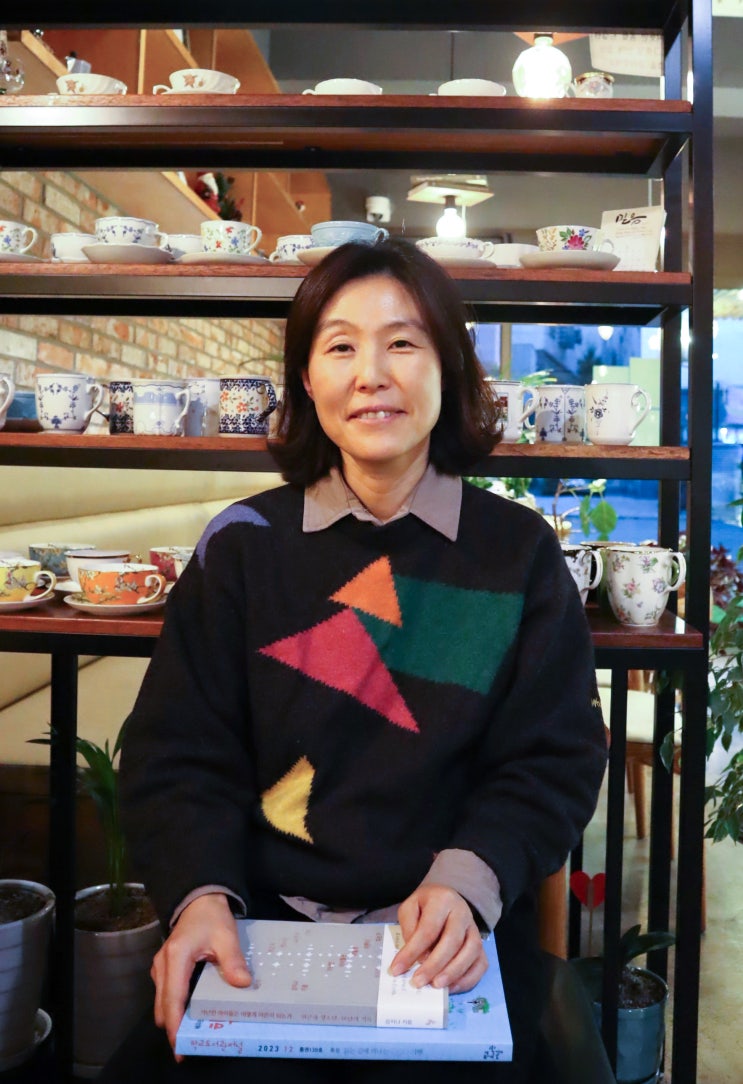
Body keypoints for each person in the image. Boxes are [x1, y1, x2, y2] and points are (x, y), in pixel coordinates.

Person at [107, 238, 607, 1083]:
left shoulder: (516, 553)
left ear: (448, 368)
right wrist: (199, 895)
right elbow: (175, 754)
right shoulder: (243, 547)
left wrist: (467, 883)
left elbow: (554, 756)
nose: (371, 374)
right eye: (340, 346)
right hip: (263, 931)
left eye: (402, 343)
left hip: (446, 938)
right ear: (307, 380)